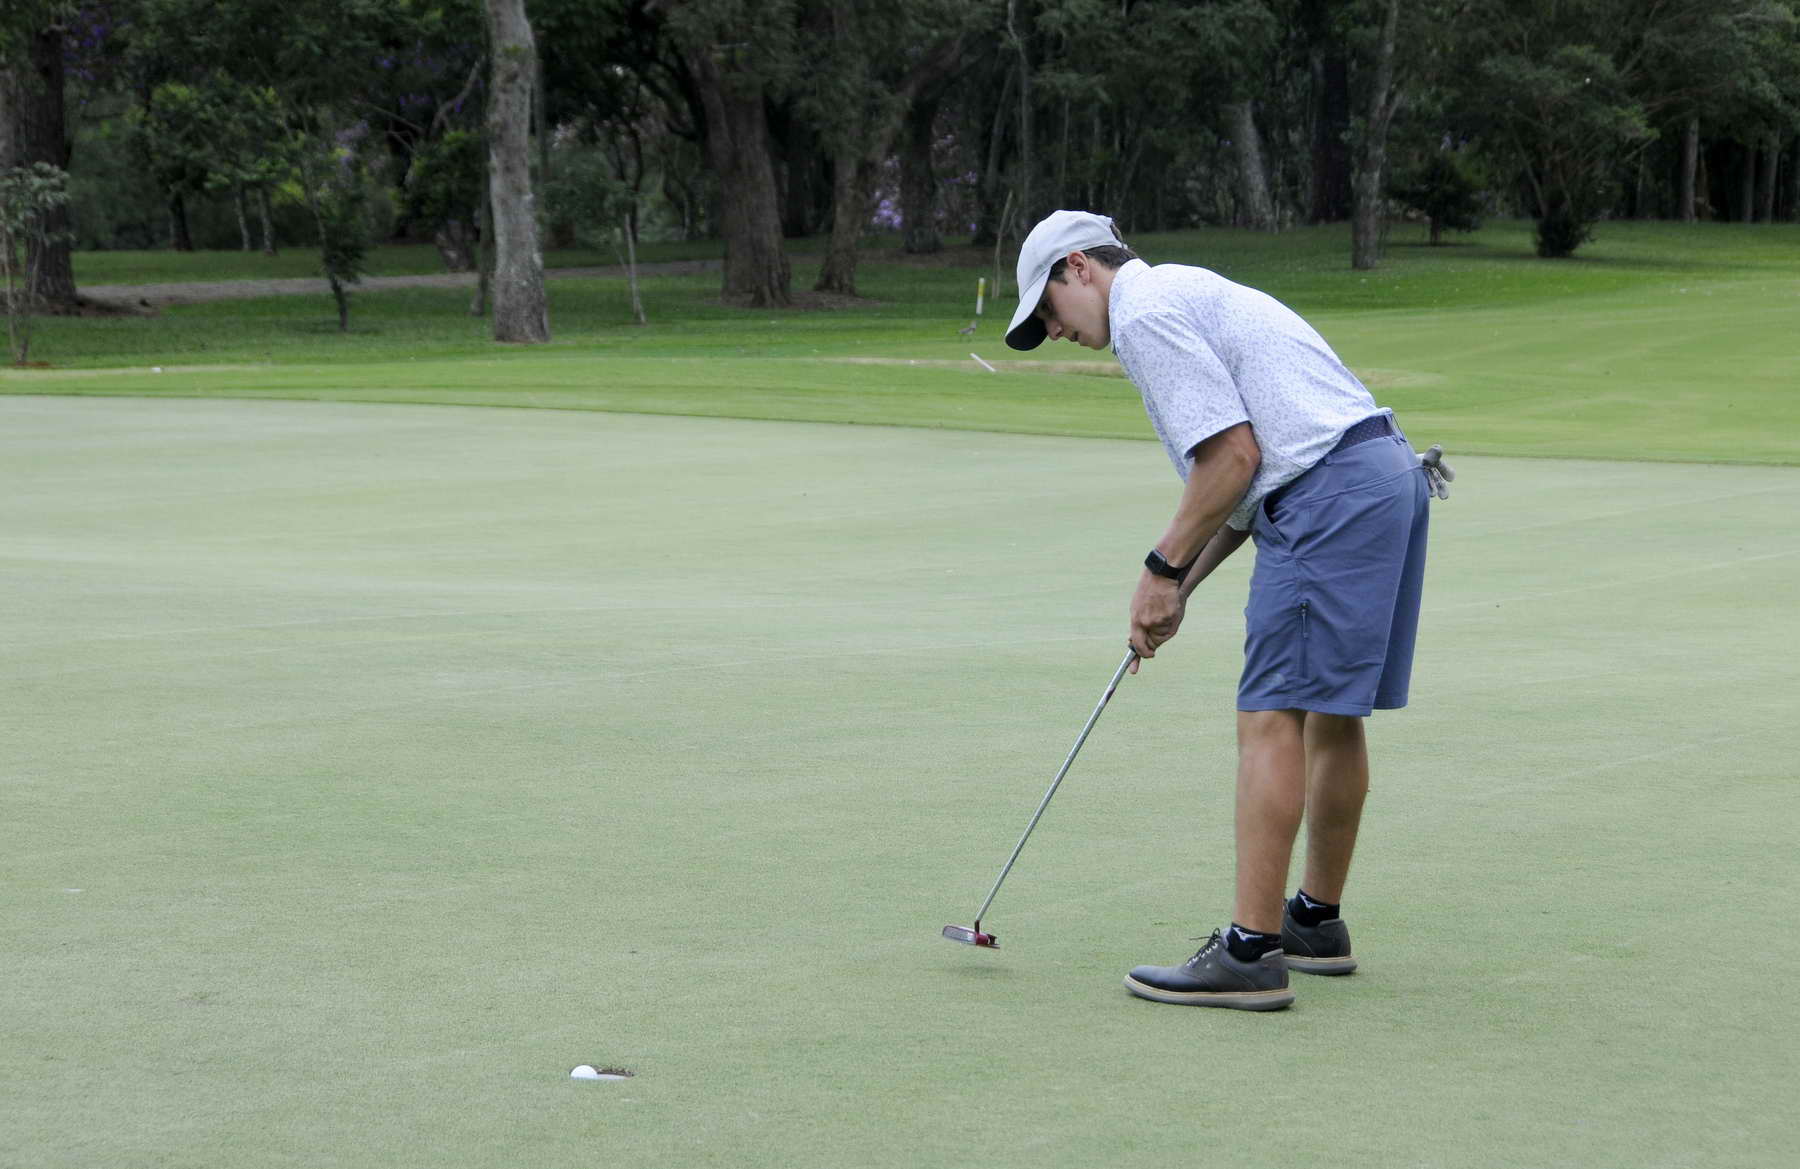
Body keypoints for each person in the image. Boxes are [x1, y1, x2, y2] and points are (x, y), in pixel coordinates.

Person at [1004, 210, 1450, 1011]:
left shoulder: (1142, 312)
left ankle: (1250, 950)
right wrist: (1180, 586)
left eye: (1048, 309)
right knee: (1330, 715)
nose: (1054, 330)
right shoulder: (1181, 290)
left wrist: (1158, 569)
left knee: (1270, 714)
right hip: (1381, 476)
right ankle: (1314, 922)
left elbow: (1233, 458)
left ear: (1079, 267)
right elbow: (1241, 494)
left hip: (1328, 496)